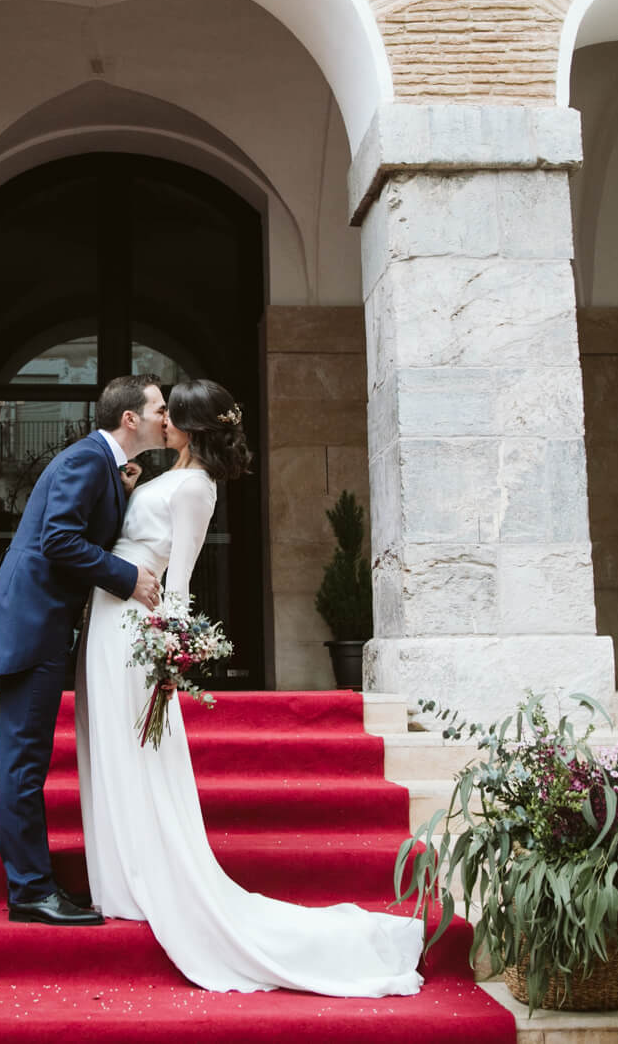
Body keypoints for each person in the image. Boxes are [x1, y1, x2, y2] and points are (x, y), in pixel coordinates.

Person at [76, 378, 425, 995]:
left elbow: (180, 576)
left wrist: (169, 654)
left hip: (134, 623)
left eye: (170, 415)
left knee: (137, 755)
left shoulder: (196, 488)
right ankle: (119, 878)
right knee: (109, 750)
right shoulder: (163, 475)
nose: (162, 422)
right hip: (106, 620)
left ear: (190, 427)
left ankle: (143, 879)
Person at [0, 374, 167, 926]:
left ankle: (32, 884)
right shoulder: (84, 459)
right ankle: (29, 890)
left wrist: (119, 493)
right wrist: (129, 577)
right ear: (131, 419)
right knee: (25, 764)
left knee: (26, 761)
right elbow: (58, 539)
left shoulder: (100, 464)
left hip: (45, 626)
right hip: (34, 627)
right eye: (159, 409)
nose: (165, 418)